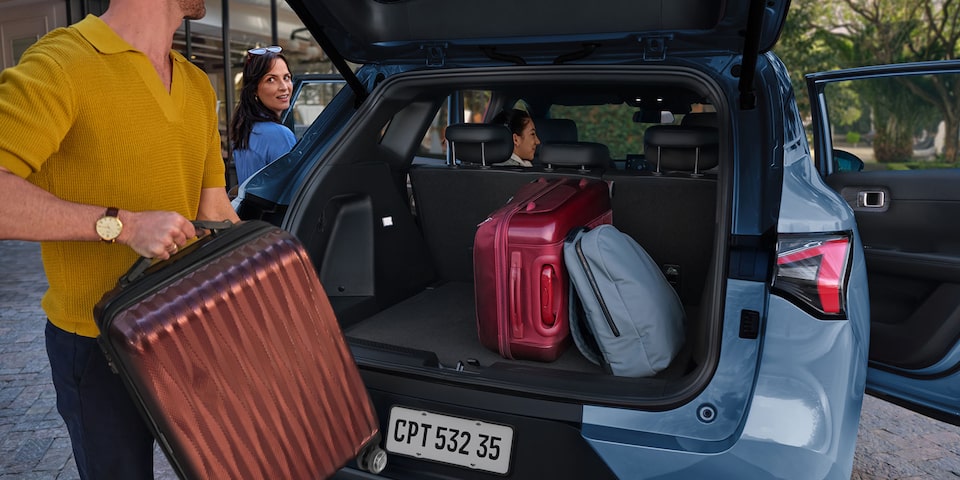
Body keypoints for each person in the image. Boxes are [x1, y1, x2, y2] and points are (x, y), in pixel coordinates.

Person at [0, 0, 240, 478]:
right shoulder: (61, 63)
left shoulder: (195, 83)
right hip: (95, 346)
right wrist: (124, 225)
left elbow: (214, 212)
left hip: (186, 331)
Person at [230, 46, 296, 185]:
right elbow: (295, 192)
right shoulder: (279, 134)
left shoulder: (243, 129)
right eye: (271, 80)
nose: (284, 87)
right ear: (254, 88)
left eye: (286, 77)